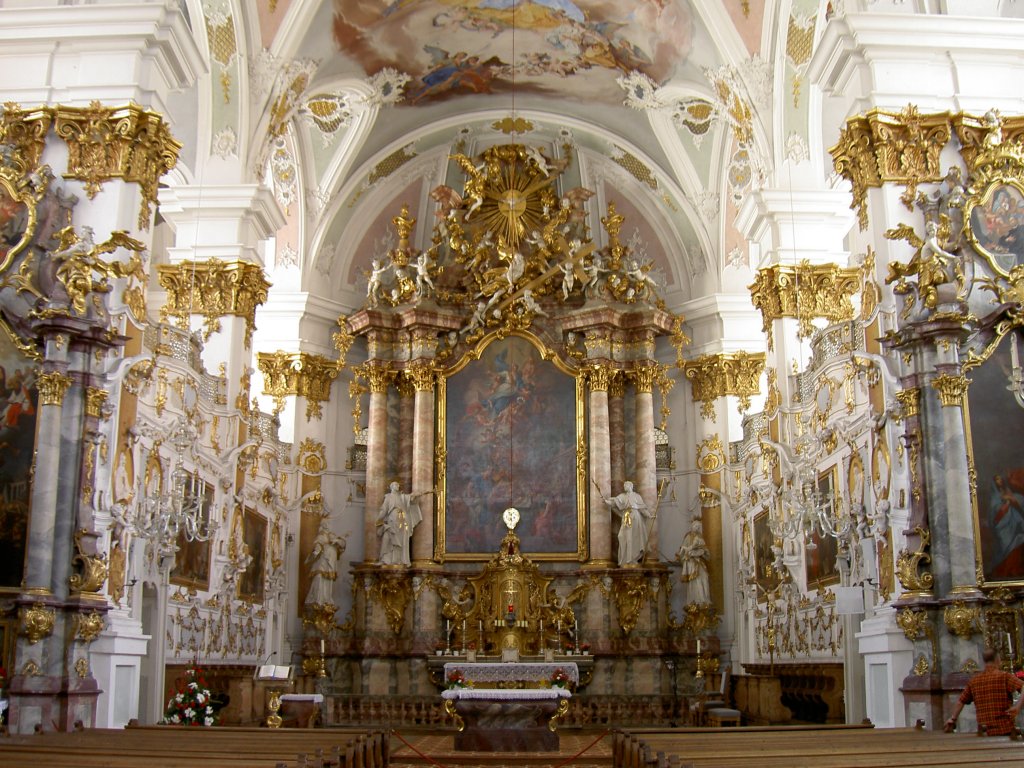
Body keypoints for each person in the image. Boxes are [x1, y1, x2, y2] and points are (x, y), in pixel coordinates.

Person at [945, 647, 1023, 735]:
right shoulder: (1004, 676)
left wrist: (953, 719)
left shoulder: (974, 680)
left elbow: (961, 701)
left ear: (984, 661)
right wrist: (1018, 706)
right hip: (1005, 730)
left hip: (985, 732)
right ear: (997, 659)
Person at [377, 482, 433, 566]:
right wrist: (378, 519)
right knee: (388, 537)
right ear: (391, 487)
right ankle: (385, 559)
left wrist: (426, 491)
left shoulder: (402, 496)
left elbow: (413, 496)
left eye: (398, 485)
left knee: (403, 540)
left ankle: (400, 560)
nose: (398, 486)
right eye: (396, 485)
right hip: (392, 519)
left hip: (403, 520)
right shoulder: (388, 497)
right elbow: (384, 509)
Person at [603, 480, 652, 566]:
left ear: (631, 486)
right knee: (621, 536)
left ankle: (632, 559)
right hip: (626, 517)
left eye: (626, 486)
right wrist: (606, 502)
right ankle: (625, 559)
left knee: (634, 536)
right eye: (624, 486)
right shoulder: (622, 496)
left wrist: (649, 515)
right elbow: (614, 503)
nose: (625, 487)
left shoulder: (637, 496)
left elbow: (642, 509)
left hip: (635, 517)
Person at [305, 517, 347, 607]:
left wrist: (338, 541)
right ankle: (318, 598)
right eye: (326, 523)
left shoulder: (332, 535)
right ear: (323, 524)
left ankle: (326, 598)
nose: (327, 525)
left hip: (331, 560)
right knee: (319, 577)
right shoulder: (321, 535)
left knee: (328, 580)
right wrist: (316, 550)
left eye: (328, 523)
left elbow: (342, 544)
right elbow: (318, 545)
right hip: (323, 560)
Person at [676, 515, 711, 605]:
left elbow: (705, 550)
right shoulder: (688, 537)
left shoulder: (700, 537)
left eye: (699, 527)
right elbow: (683, 552)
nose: (697, 528)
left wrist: (702, 552)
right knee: (695, 581)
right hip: (691, 563)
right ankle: (695, 600)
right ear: (692, 526)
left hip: (699, 562)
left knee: (704, 577)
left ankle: (704, 599)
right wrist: (687, 554)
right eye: (696, 526)